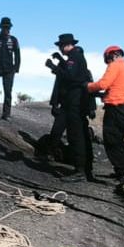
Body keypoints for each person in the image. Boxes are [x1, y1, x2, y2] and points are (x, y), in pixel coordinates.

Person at [47, 32, 96, 182]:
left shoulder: (75, 57)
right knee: (73, 134)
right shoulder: (73, 58)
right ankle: (82, 168)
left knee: (76, 136)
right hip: (71, 103)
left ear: (66, 45)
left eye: (61, 46)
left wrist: (53, 67)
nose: (60, 49)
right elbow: (69, 74)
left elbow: (71, 77)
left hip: (75, 103)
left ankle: (80, 170)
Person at [88, 45, 124, 184]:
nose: (108, 63)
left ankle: (123, 175)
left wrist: (88, 87)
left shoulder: (115, 65)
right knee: (119, 141)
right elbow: (118, 89)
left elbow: (103, 84)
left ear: (112, 55)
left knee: (111, 141)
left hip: (116, 109)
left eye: (107, 60)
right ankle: (122, 172)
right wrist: (102, 96)